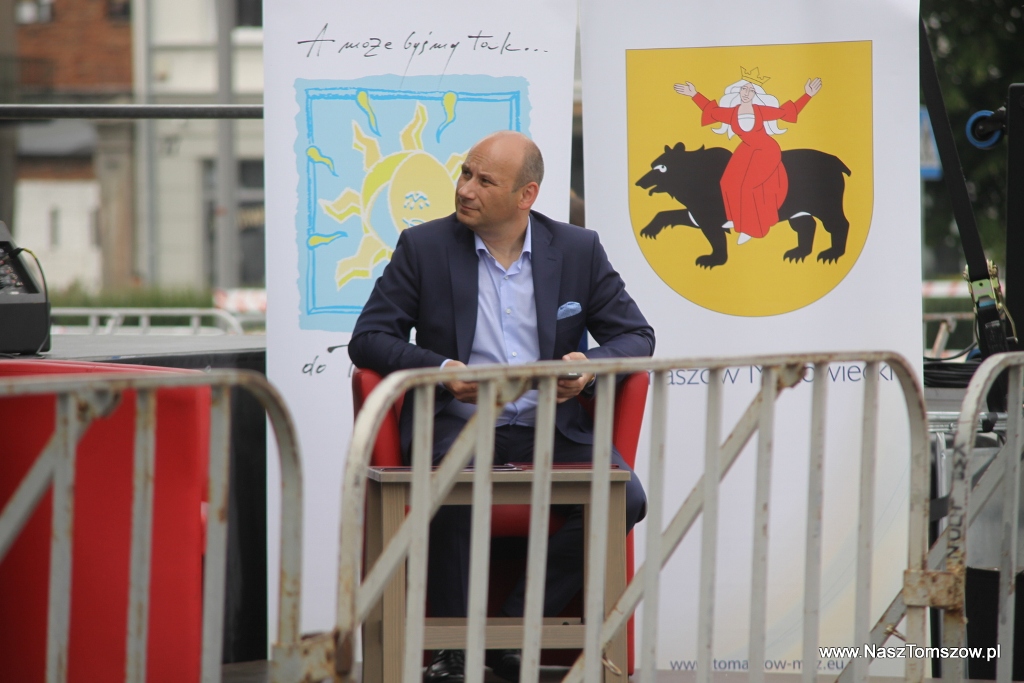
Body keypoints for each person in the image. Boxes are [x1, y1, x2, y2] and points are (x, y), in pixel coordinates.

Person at [349, 130, 654, 683]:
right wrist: (442, 371)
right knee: (453, 478)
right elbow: (368, 339)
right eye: (466, 173)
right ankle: (455, 650)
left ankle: (512, 628)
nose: (465, 189)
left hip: (551, 429)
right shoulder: (423, 247)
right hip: (459, 424)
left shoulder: (578, 250)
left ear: (525, 195)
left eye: (484, 181)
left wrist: (587, 367)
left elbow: (636, 336)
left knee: (626, 497)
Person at [674, 70, 822, 243]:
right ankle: (736, 219)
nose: (747, 93)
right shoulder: (731, 113)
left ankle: (752, 227)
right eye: (744, 89)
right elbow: (712, 111)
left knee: (748, 186)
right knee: (727, 182)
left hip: (766, 150)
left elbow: (787, 112)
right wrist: (694, 94)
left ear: (755, 94)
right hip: (746, 151)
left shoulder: (761, 110)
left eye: (751, 90)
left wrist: (807, 95)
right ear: (739, 91)